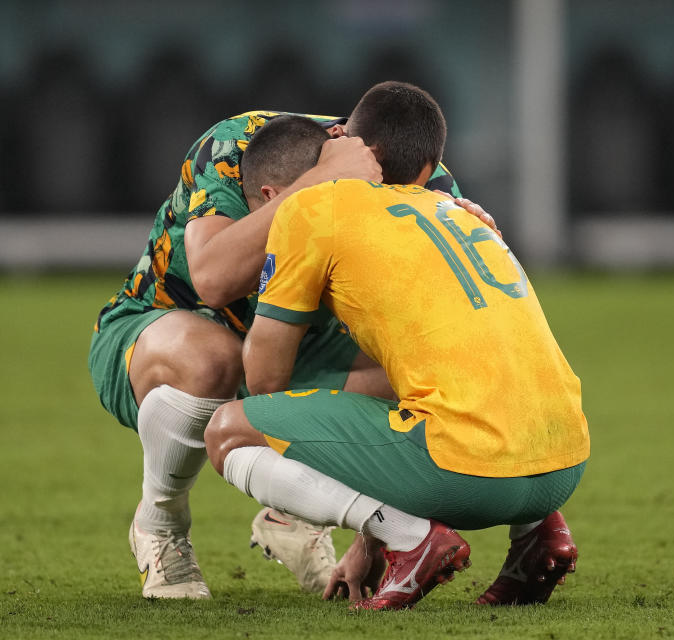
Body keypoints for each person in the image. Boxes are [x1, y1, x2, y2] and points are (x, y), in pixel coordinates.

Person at [88, 82, 491, 599]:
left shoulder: (421, 175)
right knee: (214, 359)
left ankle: (291, 516)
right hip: (161, 329)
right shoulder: (234, 146)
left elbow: (461, 331)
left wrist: (372, 544)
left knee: (418, 365)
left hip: (299, 340)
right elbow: (211, 279)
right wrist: (323, 182)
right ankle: (160, 525)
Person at [203, 109, 590, 610]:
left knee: (228, 430)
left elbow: (265, 380)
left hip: (470, 477)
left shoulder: (313, 209)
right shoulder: (460, 211)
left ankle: (411, 539)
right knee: (433, 382)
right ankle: (540, 535)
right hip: (565, 464)